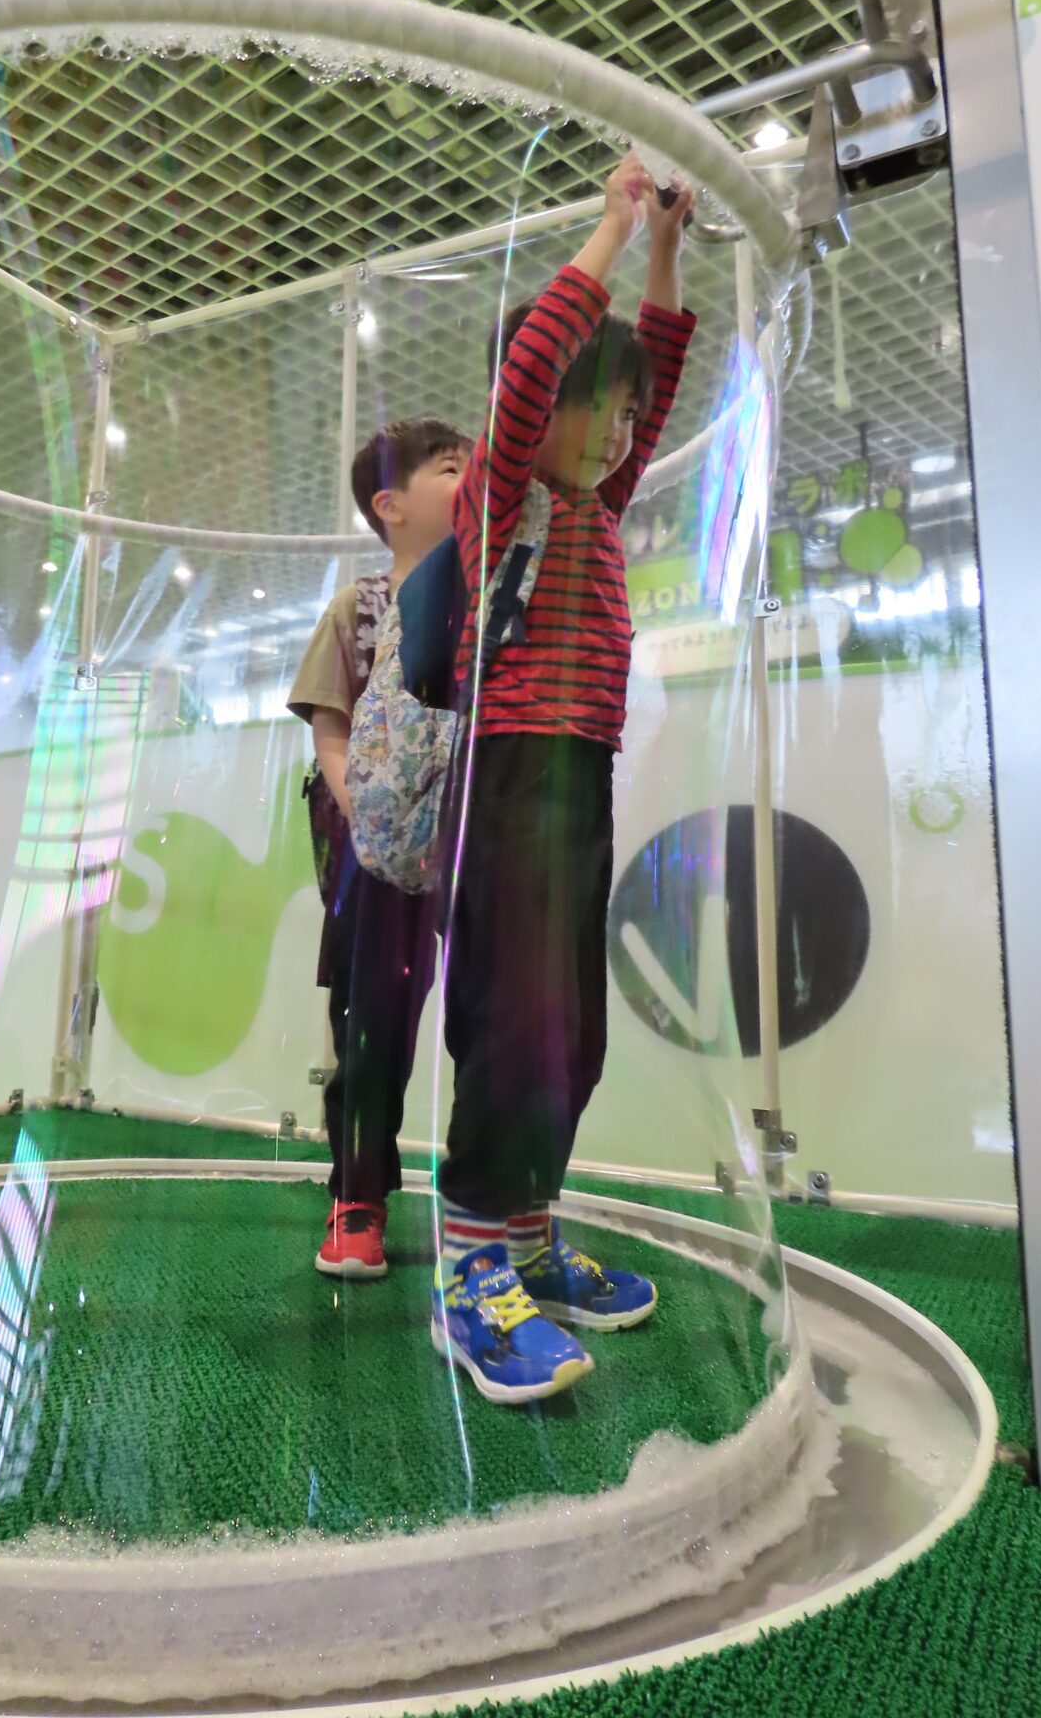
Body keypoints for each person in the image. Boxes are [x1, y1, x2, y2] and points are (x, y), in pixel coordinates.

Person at [432, 150, 697, 1404]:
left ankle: (528, 1239)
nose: (624, 430)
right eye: (603, 409)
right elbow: (537, 362)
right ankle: (468, 1273)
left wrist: (666, 255)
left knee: (568, 1032)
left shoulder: (599, 502)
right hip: (508, 781)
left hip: (578, 779)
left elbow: (664, 364)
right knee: (512, 1022)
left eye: (629, 415)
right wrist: (612, 226)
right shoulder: (501, 499)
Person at [289, 418, 469, 1278]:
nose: (472, 478)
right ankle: (357, 1194)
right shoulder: (358, 607)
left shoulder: (487, 595)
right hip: (374, 846)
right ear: (389, 506)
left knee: (487, 1011)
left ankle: (495, 1205)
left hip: (470, 839)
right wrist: (363, 809)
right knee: (372, 1021)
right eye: (451, 468)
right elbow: (330, 721)